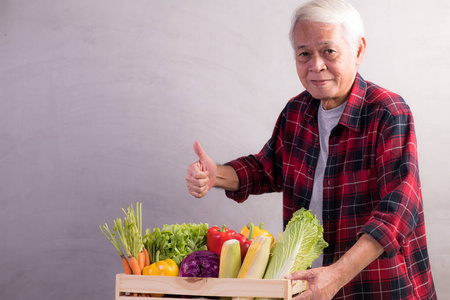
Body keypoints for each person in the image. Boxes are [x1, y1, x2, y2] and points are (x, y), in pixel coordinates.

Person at [185, 0, 436, 299]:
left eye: (328, 51)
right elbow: (266, 168)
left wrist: (336, 276)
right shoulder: (296, 111)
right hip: (308, 287)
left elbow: (398, 210)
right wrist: (218, 175)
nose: (315, 66)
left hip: (378, 288)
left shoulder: (388, 111)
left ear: (358, 50)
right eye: (304, 53)